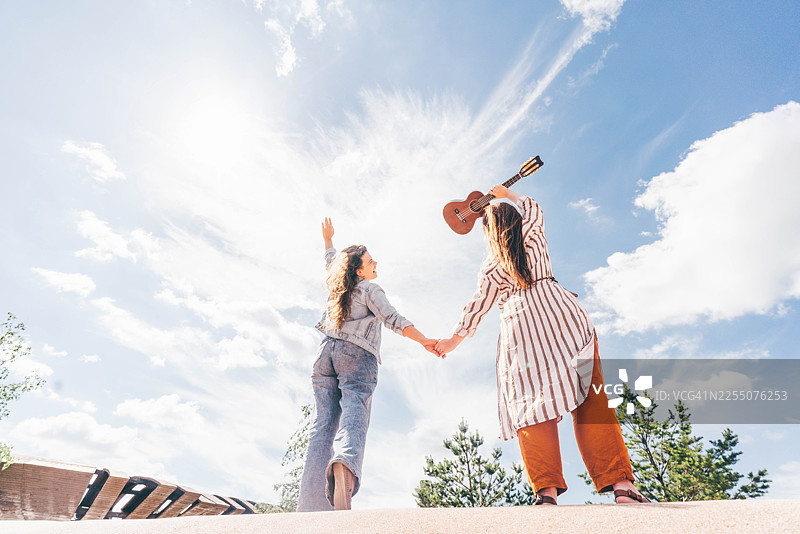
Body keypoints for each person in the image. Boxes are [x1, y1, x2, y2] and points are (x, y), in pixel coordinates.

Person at [435, 185, 650, 505]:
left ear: (489, 234)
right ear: (516, 221)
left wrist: (451, 341)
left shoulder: (491, 268)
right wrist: (506, 193)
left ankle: (546, 493)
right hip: (566, 320)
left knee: (531, 407)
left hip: (522, 336)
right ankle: (622, 487)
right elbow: (534, 206)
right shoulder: (533, 236)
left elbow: (475, 308)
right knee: (590, 401)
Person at [297, 217, 442, 512]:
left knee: (323, 424)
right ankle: (344, 466)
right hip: (357, 357)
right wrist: (424, 339)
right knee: (354, 415)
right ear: (359, 269)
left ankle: (312, 504)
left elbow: (330, 262)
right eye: (371, 261)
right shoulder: (370, 290)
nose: (376, 265)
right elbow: (393, 319)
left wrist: (328, 241)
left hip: (325, 354)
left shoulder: (337, 284)